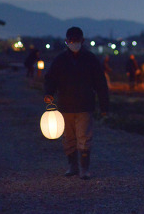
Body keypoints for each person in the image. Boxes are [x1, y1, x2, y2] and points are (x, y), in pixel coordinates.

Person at [44, 27, 109, 180]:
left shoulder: (91, 59)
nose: (74, 43)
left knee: (84, 137)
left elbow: (100, 84)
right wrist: (48, 93)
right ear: (66, 41)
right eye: (71, 41)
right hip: (65, 106)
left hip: (85, 105)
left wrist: (104, 106)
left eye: (76, 41)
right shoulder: (60, 60)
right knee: (68, 138)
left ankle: (84, 169)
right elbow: (50, 78)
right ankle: (72, 166)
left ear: (82, 41)